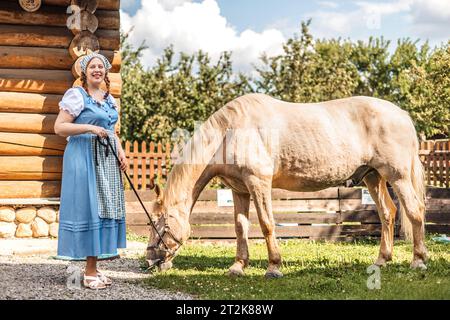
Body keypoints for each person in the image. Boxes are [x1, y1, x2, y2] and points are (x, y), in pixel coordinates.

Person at [54, 52, 128, 290]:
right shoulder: (76, 95)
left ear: (106, 72)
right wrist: (89, 128)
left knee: (104, 210)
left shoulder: (109, 99)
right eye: (92, 66)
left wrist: (121, 151)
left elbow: (111, 130)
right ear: (84, 72)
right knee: (89, 210)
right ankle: (88, 273)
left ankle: (93, 267)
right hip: (82, 158)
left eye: (101, 66)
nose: (97, 69)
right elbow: (60, 127)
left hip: (105, 160)